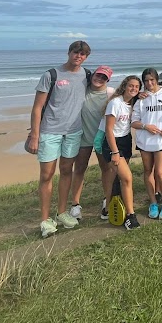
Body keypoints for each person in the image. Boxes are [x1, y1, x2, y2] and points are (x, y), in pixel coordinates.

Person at [27, 40, 91, 238]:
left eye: (82, 54)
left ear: (86, 57)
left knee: (66, 171)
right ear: (69, 53)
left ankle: (62, 212)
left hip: (73, 132)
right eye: (75, 52)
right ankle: (45, 220)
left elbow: (102, 90)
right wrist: (35, 135)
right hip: (50, 132)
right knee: (46, 175)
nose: (78, 56)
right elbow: (37, 107)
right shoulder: (51, 75)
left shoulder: (87, 75)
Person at [132, 68, 162, 220]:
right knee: (147, 171)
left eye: (152, 80)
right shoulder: (141, 98)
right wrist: (146, 126)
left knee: (160, 172)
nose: (149, 83)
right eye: (146, 81)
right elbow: (134, 121)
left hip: (161, 140)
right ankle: (153, 202)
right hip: (144, 141)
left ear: (157, 79)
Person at [70, 65, 114, 221]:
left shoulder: (111, 94)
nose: (99, 79)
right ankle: (75, 205)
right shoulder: (82, 90)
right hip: (84, 137)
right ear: (93, 75)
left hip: (102, 138)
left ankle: (107, 202)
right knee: (79, 169)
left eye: (104, 77)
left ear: (107, 80)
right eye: (98, 75)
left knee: (106, 169)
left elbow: (128, 99)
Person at [100, 75, 142, 230]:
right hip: (113, 144)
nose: (133, 89)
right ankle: (130, 216)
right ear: (124, 86)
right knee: (127, 178)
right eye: (131, 85)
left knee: (116, 179)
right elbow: (108, 130)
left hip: (126, 141)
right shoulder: (115, 103)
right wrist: (115, 152)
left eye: (137, 87)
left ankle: (107, 208)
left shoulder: (133, 103)